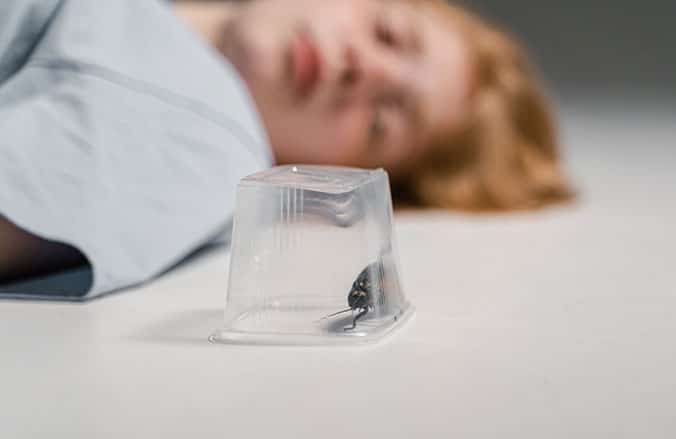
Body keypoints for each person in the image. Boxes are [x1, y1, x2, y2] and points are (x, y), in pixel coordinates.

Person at [0, 0, 571, 298]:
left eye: (382, 120)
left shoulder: (198, 147)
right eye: (388, 33)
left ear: (352, 179)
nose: (361, 68)